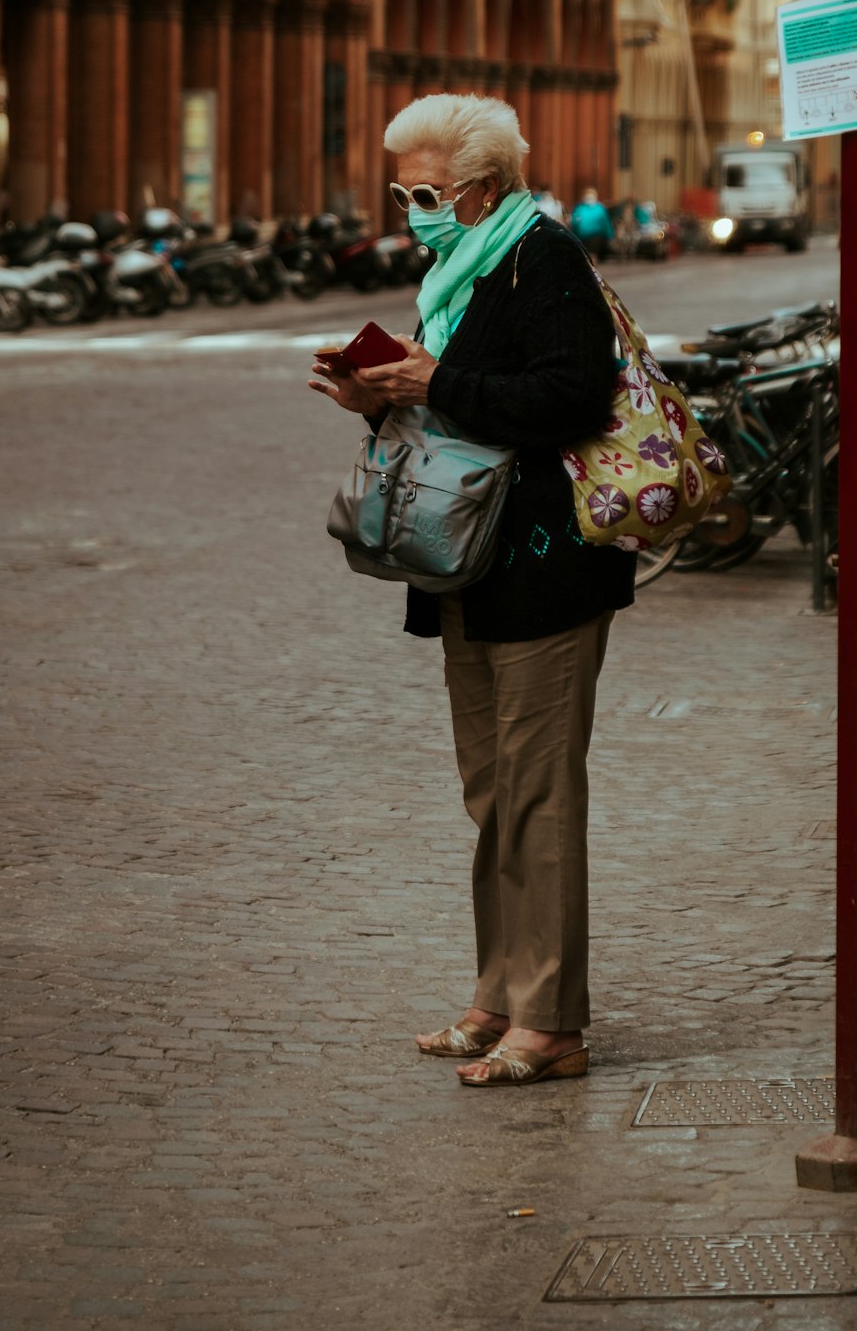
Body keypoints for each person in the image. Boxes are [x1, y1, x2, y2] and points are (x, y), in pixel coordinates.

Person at [310, 93, 633, 1087]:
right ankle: (498, 995)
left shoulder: (540, 256)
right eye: (400, 188)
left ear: (479, 187)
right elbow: (449, 402)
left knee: (537, 793)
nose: (407, 206)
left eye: (421, 189)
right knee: (492, 792)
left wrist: (430, 382)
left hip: (542, 565)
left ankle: (551, 1021)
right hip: (471, 561)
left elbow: (573, 394)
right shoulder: (458, 269)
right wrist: (378, 395)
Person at [570, 185, 615, 261]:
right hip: (581, 238)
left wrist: (610, 236)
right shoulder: (579, 208)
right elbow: (574, 223)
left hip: (595, 237)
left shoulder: (599, 208)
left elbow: (605, 224)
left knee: (592, 253)